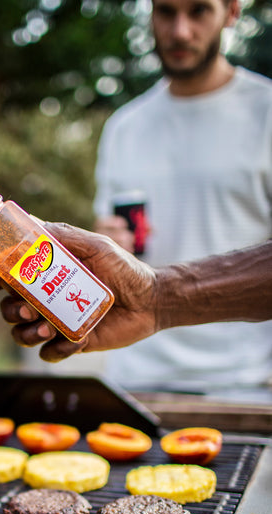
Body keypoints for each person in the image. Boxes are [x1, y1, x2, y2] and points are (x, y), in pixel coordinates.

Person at [90, 0, 272, 394]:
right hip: (134, 377)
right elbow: (112, 243)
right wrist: (108, 241)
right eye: (166, 12)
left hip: (241, 385)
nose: (180, 31)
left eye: (199, 11)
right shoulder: (124, 126)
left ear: (232, 12)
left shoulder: (266, 112)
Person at [0, 224, 272, 356]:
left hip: (239, 375)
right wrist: (153, 299)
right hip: (131, 372)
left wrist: (159, 295)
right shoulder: (121, 128)